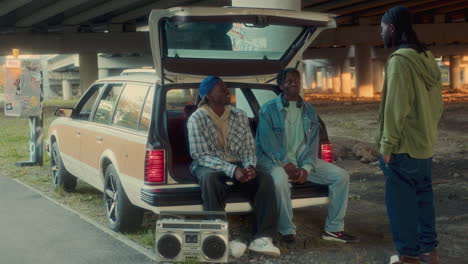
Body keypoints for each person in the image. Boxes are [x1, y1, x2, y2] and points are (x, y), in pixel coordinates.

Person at [256, 68, 358, 244]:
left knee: (341, 176)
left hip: (302, 160)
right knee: (280, 180)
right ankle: (286, 230)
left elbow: (312, 145)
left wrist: (306, 168)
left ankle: (334, 229)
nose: (294, 82)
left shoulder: (310, 111)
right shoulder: (268, 110)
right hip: (274, 161)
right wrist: (286, 165)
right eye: (288, 80)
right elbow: (267, 144)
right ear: (281, 86)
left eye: (296, 79)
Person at [377, 6, 443, 264]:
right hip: (424, 146)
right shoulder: (427, 58)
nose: (380, 34)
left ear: (392, 28)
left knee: (401, 206)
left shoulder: (400, 61)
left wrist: (386, 146)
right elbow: (438, 105)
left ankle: (408, 256)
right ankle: (429, 251)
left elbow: (396, 108)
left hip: (403, 148)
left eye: (382, 29)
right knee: (424, 200)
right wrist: (428, 132)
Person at [187, 76, 280, 257]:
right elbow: (200, 155)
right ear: (208, 96)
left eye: (226, 87)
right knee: (209, 178)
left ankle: (262, 238)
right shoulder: (196, 119)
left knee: (264, 179)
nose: (227, 91)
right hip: (208, 164)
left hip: (237, 162)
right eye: (221, 88)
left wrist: (250, 166)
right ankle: (221, 240)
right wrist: (233, 170)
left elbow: (248, 147)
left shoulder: (239, 115)